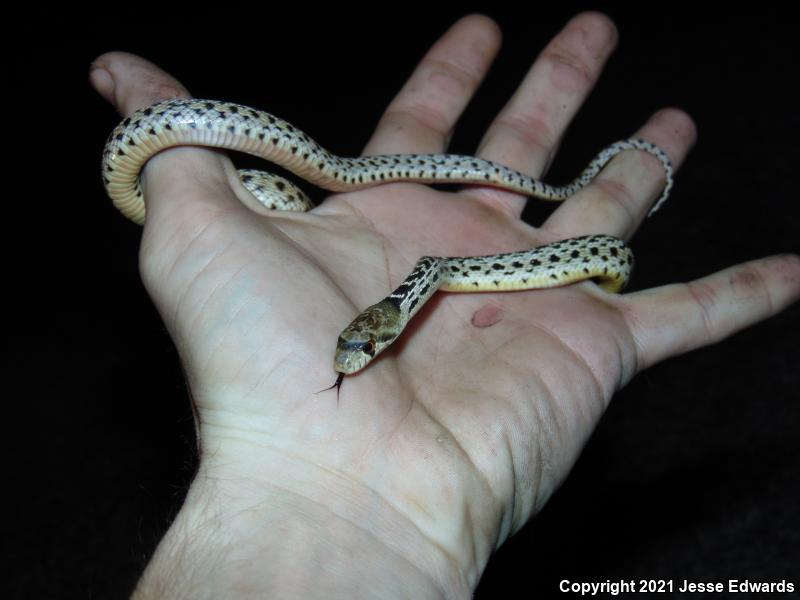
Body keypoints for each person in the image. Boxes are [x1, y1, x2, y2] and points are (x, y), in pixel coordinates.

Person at [89, 13, 799, 599]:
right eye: (357, 345)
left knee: (600, 250)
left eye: (360, 344)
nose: (352, 355)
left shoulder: (421, 288)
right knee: (324, 175)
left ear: (387, 324)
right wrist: (293, 488)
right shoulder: (396, 303)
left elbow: (457, 268)